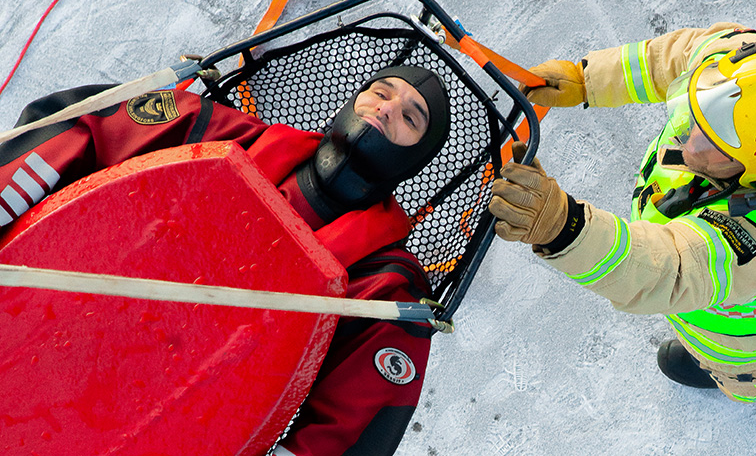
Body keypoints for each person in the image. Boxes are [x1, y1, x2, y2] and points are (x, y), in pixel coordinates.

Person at [0, 65, 450, 455]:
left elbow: (349, 436)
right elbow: (81, 125)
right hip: (39, 330)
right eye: (380, 91)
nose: (387, 109)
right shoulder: (209, 129)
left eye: (410, 117)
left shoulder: (385, 290)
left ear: (416, 159)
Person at [488, 23, 756, 402]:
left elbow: (669, 268)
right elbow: (677, 57)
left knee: (744, 370)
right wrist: (587, 79)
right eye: (696, 110)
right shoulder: (748, 69)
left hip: (748, 337)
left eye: (715, 140)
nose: (688, 135)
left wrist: (561, 227)